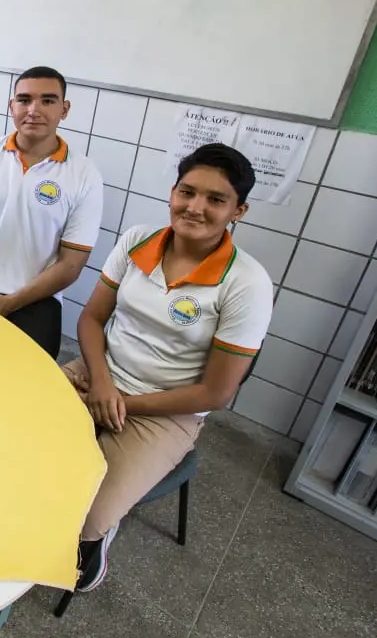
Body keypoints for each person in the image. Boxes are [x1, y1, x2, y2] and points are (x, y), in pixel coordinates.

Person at [66, 143, 273, 593]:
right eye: (187, 192)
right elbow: (91, 318)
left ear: (239, 210)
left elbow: (216, 394)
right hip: (97, 374)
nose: (195, 208)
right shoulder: (139, 238)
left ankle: (96, 543)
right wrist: (101, 383)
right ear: (172, 193)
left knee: (85, 517)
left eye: (216, 200)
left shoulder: (248, 283)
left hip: (166, 412)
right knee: (6, 441)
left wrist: (122, 404)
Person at [0, 66, 103, 358]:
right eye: (24, 100)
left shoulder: (85, 175)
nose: (34, 110)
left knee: (23, 387)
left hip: (35, 299)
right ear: (11, 106)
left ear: (64, 110)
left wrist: (11, 302)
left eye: (48, 101)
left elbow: (71, 264)